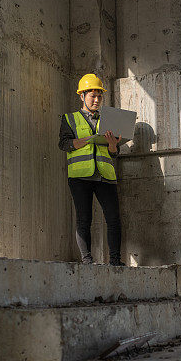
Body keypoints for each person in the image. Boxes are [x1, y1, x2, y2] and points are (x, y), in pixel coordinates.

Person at [58, 73, 125, 266]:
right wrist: (87, 140)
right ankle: (87, 261)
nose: (96, 100)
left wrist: (113, 145)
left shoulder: (109, 119)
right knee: (84, 219)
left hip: (105, 174)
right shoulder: (69, 119)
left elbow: (114, 153)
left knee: (113, 219)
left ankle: (115, 261)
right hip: (80, 176)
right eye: (92, 96)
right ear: (82, 96)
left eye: (99, 96)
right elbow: (63, 144)